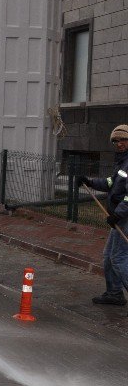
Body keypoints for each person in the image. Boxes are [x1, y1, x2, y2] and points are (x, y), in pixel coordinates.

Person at [77, 124, 128, 306]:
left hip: (125, 218)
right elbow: (111, 183)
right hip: (120, 217)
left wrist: (118, 214)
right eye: (116, 141)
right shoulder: (122, 162)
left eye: (123, 140)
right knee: (108, 256)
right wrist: (90, 182)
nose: (119, 143)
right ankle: (114, 293)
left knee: (118, 257)